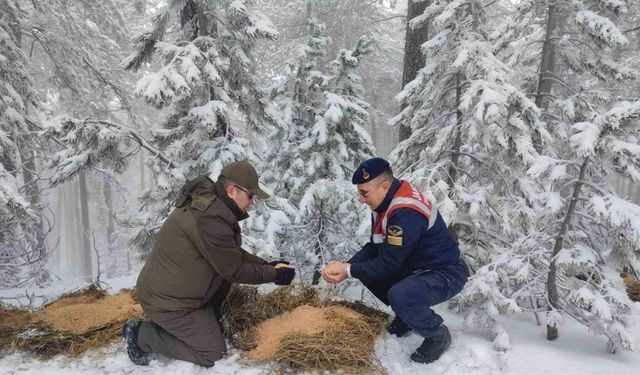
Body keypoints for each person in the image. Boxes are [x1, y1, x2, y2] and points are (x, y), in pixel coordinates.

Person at [123, 161, 295, 367]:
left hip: (178, 293)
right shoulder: (210, 217)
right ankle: (141, 334)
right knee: (212, 352)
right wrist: (273, 275)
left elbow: (228, 253)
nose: (252, 203)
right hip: (168, 303)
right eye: (250, 196)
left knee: (221, 275)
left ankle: (205, 321)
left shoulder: (213, 207)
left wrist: (267, 265)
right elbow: (233, 269)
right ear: (232, 191)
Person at [322, 157, 468, 364]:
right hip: (417, 267)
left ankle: (437, 335)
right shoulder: (386, 202)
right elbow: (375, 247)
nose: (361, 200)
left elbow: (389, 264)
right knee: (364, 271)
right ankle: (406, 317)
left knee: (400, 294)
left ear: (384, 186)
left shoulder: (404, 211)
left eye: (364, 193)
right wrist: (346, 266)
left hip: (444, 273)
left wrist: (348, 270)